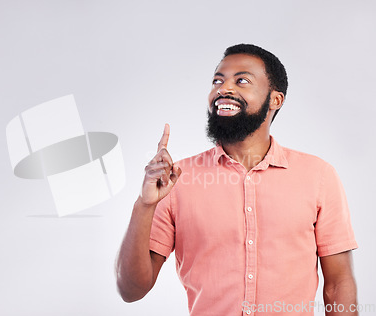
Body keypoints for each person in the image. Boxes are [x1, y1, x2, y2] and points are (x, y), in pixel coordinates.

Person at [115, 44, 358, 315]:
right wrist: (144, 205)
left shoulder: (318, 175)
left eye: (241, 80)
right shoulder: (175, 180)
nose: (223, 88)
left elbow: (338, 284)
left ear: (275, 100)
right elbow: (131, 290)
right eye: (217, 80)